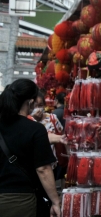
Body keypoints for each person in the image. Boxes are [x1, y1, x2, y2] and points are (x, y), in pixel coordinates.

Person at [0, 78, 61, 217]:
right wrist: (55, 202)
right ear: (31, 102)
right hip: (20, 201)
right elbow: (43, 169)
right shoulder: (36, 129)